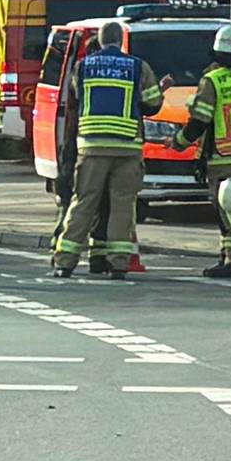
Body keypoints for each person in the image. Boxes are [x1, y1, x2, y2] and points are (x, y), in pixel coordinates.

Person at [50, 21, 158, 279]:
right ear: (121, 40)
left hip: (92, 146)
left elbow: (75, 96)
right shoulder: (138, 66)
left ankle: (65, 261)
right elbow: (153, 103)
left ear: (99, 40)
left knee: (84, 202)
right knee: (123, 205)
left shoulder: (83, 66)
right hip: (127, 147)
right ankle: (119, 264)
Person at [175, 26, 231, 279]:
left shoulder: (212, 80)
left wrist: (179, 142)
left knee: (228, 208)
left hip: (224, 156)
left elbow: (200, 120)